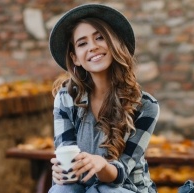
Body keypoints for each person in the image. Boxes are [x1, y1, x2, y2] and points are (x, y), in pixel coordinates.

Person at [48, 3, 160, 193]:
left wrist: (100, 164)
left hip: (126, 188)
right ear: (75, 58)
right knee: (61, 190)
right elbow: (66, 153)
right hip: (82, 185)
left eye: (100, 38)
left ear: (115, 44)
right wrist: (61, 170)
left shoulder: (145, 106)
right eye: (82, 43)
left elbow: (122, 172)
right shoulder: (66, 98)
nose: (93, 47)